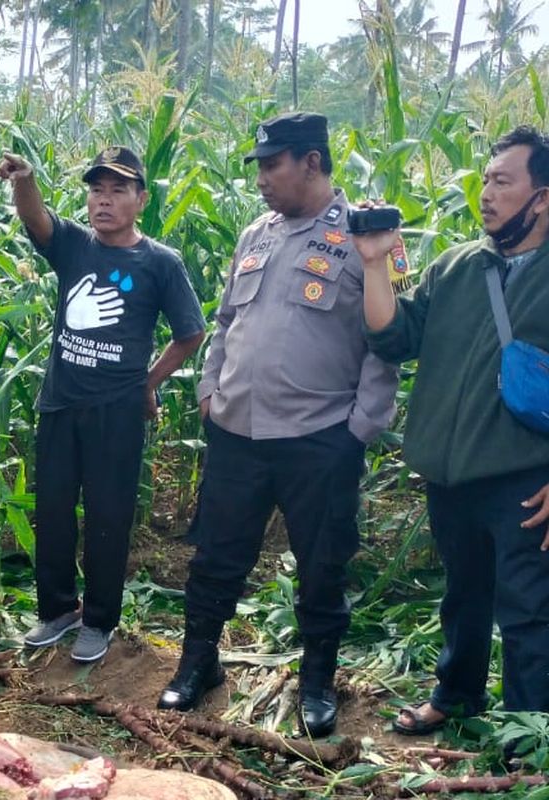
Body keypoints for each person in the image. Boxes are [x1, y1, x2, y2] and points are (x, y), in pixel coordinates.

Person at [157, 112, 399, 738]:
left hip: (320, 438)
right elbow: (226, 321)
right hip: (237, 432)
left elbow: (386, 342)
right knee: (216, 557)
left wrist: (359, 430)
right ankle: (198, 663)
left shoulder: (368, 239)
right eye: (259, 167)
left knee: (322, 565)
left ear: (312, 162)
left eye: (272, 165)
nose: (261, 179)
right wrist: (209, 390)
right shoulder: (255, 234)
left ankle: (317, 680)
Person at [355, 125, 549, 733]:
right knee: (463, 594)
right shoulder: (458, 265)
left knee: (528, 610)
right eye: (485, 180)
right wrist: (374, 262)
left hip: (523, 476)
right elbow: (395, 336)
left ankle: (528, 734)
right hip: (449, 471)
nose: (485, 193)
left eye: (502, 182)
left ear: (542, 197)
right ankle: (457, 695)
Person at [0, 147, 206, 663]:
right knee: (52, 513)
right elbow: (36, 217)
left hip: (116, 413)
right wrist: (25, 179)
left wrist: (147, 383)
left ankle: (99, 619)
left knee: (108, 518)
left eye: (117, 190)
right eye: (96, 190)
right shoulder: (74, 245)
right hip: (60, 404)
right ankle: (58, 610)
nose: (104, 201)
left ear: (141, 199)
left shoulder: (159, 263)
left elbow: (190, 332)